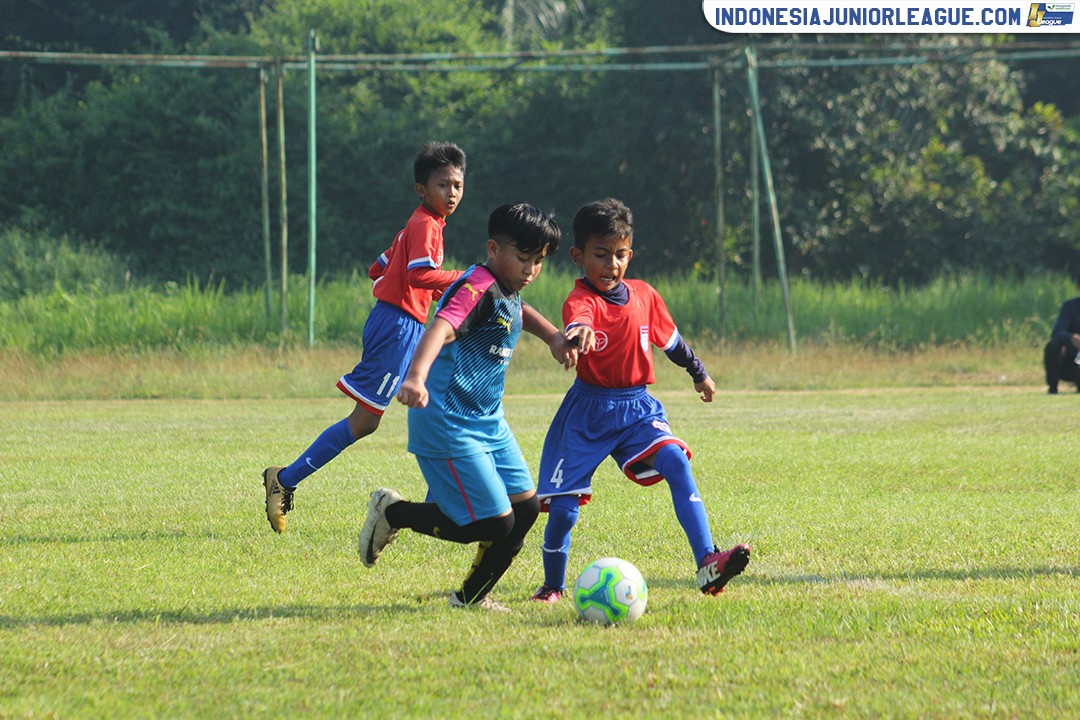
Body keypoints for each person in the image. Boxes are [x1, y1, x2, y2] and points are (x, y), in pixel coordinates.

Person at [358, 203, 591, 611]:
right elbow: (441, 327)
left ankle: (469, 599)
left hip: (487, 422)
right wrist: (414, 376)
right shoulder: (476, 287)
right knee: (492, 523)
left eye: (538, 261)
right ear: (492, 248)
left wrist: (554, 337)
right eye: (523, 258)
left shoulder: (507, 288)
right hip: (447, 420)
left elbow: (520, 312)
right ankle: (393, 513)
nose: (531, 269)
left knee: (525, 510)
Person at [530, 198, 750, 604]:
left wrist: (699, 373)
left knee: (676, 461)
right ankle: (552, 586)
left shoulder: (645, 295)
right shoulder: (581, 300)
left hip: (636, 408)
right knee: (562, 510)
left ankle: (707, 561)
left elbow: (672, 343)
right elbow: (579, 320)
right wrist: (577, 335)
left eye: (619, 255)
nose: (611, 265)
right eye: (600, 255)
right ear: (578, 256)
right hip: (587, 413)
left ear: (630, 254)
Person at [262, 141, 467, 533]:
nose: (452, 193)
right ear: (422, 190)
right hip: (398, 328)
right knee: (366, 420)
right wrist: (465, 280)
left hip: (399, 322)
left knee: (439, 399)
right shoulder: (425, 224)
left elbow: (380, 268)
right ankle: (283, 480)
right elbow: (418, 275)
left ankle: (442, 502)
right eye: (443, 185)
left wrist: (432, 290)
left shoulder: (419, 224)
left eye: (457, 185)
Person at [1044, 284, 1080, 394]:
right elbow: (1057, 332)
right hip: (1072, 360)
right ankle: (1053, 387)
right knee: (1053, 345)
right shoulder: (1070, 307)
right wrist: (1072, 337)